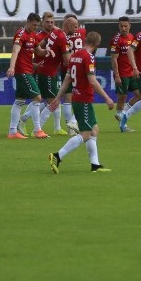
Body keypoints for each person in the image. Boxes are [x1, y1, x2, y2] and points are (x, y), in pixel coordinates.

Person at [47, 31, 115, 174]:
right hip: (83, 98)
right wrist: (107, 98)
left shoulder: (74, 56)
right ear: (97, 44)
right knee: (86, 133)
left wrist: (58, 97)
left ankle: (95, 165)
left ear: (85, 40)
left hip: (77, 98)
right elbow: (92, 80)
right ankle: (57, 156)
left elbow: (66, 80)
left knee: (94, 130)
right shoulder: (88, 57)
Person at [6, 13, 50, 139]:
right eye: (34, 25)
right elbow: (15, 51)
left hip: (27, 70)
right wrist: (12, 67)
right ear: (28, 22)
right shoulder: (21, 34)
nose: (35, 28)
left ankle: (13, 131)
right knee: (37, 97)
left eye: (37, 25)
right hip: (22, 71)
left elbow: (38, 51)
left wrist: (46, 51)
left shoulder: (33, 35)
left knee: (19, 101)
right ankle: (37, 130)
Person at [36, 12, 72, 136]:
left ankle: (55, 128)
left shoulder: (55, 32)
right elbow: (67, 61)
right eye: (76, 27)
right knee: (54, 102)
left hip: (46, 71)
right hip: (48, 73)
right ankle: (37, 129)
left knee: (47, 101)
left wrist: (42, 53)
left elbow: (39, 45)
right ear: (68, 26)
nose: (77, 29)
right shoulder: (62, 38)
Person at [110, 16, 140, 132]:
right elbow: (113, 59)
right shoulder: (116, 40)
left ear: (129, 26)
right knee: (122, 97)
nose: (123, 28)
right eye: (121, 26)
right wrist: (117, 75)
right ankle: (123, 124)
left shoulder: (132, 37)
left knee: (140, 95)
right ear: (118, 26)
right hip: (121, 73)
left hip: (131, 72)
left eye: (125, 26)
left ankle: (122, 114)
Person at [59, 13, 86, 135]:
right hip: (78, 66)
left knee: (67, 97)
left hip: (66, 66)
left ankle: (70, 126)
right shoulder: (82, 32)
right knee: (83, 95)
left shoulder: (62, 34)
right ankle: (73, 123)